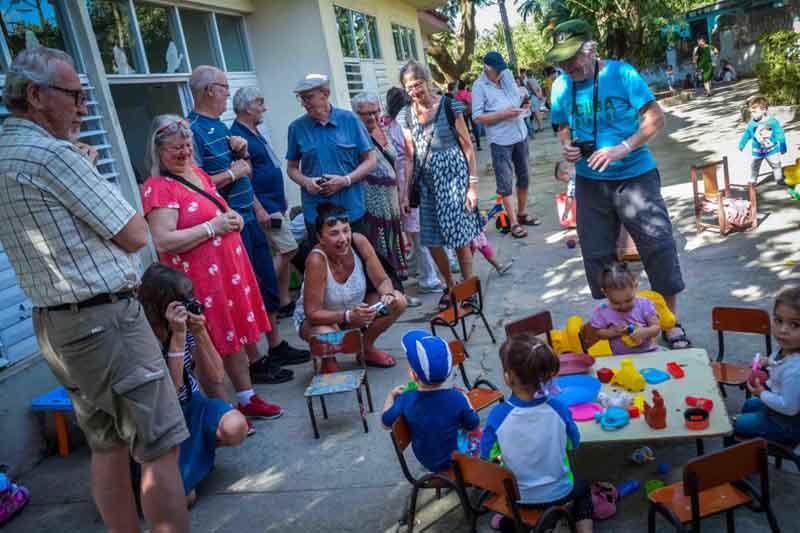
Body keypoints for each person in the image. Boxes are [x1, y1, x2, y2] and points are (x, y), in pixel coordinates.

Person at [0, 47, 189, 532]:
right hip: (105, 321)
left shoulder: (6, 150)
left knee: (107, 442)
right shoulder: (54, 155)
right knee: (161, 444)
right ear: (37, 96)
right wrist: (82, 164)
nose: (84, 107)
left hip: (57, 326)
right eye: (75, 96)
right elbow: (135, 233)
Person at [547, 18, 691, 350]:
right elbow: (561, 125)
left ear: (590, 49)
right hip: (589, 182)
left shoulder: (621, 73)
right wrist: (566, 145)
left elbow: (656, 117)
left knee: (658, 247)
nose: (567, 65)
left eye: (573, 57)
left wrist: (623, 147)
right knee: (597, 254)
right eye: (562, 59)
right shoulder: (560, 86)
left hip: (635, 175)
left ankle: (668, 322)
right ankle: (617, 319)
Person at [142, 114, 286, 424]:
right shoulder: (158, 187)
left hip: (226, 274)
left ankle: (247, 398)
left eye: (187, 145)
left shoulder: (197, 173)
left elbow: (214, 209)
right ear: (158, 151)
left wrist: (230, 217)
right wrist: (213, 228)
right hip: (198, 281)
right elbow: (164, 240)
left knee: (234, 337)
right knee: (211, 343)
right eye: (175, 148)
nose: (184, 152)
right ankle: (224, 412)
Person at [188, 66, 308, 382]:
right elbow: (194, 186)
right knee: (244, 292)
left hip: (249, 218)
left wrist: (237, 155)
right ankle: (255, 361)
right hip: (229, 225)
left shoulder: (220, 129)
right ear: (208, 90)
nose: (229, 93)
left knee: (264, 284)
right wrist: (235, 172)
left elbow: (243, 171)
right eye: (225, 87)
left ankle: (276, 344)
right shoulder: (193, 130)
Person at [138, 264, 248, 505]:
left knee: (236, 426)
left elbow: (218, 376)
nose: (193, 302)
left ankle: (195, 458)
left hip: (193, 404)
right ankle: (184, 467)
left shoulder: (187, 327)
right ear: (162, 303)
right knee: (185, 500)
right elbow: (171, 392)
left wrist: (200, 333)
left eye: (191, 295)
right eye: (184, 299)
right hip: (166, 417)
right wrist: (177, 338)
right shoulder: (146, 337)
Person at [481, 334, 594, 533]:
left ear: (508, 377)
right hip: (561, 491)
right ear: (548, 376)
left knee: (508, 519)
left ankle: (523, 522)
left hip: (518, 498)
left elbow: (486, 456)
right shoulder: (559, 409)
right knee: (583, 489)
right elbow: (574, 443)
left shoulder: (498, 416)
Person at [396, 60, 482, 311]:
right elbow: (410, 156)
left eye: (417, 84)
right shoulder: (405, 115)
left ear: (427, 81)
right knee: (432, 240)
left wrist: (472, 185)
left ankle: (469, 290)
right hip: (427, 185)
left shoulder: (449, 105)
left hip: (455, 181)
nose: (414, 91)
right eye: (409, 87)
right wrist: (404, 193)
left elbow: (467, 146)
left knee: (460, 240)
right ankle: (451, 285)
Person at [293, 203, 408, 371]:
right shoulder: (317, 260)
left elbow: (382, 281)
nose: (343, 239)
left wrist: (387, 295)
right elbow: (312, 314)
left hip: (355, 313)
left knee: (399, 301)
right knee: (323, 333)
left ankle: (365, 349)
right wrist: (347, 316)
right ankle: (328, 360)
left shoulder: (359, 241)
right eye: (334, 233)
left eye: (346, 230)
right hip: (321, 321)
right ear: (320, 238)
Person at [230, 87, 299, 318]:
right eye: (260, 103)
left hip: (274, 202)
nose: (264, 108)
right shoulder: (238, 137)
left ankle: (282, 300)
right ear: (248, 107)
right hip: (264, 207)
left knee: (281, 249)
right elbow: (245, 179)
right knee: (289, 248)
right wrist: (259, 208)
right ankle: (263, 297)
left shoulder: (254, 132)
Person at [286, 73, 378, 245]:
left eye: (309, 97)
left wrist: (346, 180)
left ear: (326, 94)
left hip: (350, 210)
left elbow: (371, 160)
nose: (305, 103)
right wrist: (306, 182)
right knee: (325, 266)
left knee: (359, 260)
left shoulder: (350, 120)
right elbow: (291, 168)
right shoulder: (297, 128)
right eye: (302, 99)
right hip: (316, 214)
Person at [381, 330, 480, 472]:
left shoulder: (406, 398)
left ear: (414, 375)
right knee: (488, 438)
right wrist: (467, 401)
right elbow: (473, 425)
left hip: (429, 463)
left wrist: (391, 396)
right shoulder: (456, 397)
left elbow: (385, 423)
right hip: (458, 462)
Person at [473, 51, 540, 239]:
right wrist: (503, 114)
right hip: (500, 140)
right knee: (505, 182)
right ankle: (514, 223)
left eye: (502, 69)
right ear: (487, 69)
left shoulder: (507, 75)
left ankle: (522, 213)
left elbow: (518, 97)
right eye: (497, 70)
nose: (501, 73)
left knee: (525, 176)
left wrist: (525, 104)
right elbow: (477, 117)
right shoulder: (479, 86)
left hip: (520, 133)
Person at [384, 87, 444, 294]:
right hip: (420, 180)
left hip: (405, 183)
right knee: (427, 230)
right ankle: (435, 270)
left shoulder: (392, 128)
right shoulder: (412, 122)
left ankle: (429, 277)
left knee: (417, 235)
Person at [351, 92, 409, 284]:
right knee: (380, 250)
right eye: (366, 113)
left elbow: (396, 165)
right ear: (356, 114)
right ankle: (389, 291)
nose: (372, 117)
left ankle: (398, 290)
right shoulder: (355, 137)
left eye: (375, 111)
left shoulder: (383, 129)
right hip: (373, 205)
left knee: (395, 247)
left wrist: (402, 196)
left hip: (391, 200)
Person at [734, 287, 800, 445]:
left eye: (795, 325)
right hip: (778, 411)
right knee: (749, 404)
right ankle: (751, 448)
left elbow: (789, 407)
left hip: (786, 426)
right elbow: (779, 363)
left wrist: (762, 393)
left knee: (734, 424)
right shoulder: (787, 347)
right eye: (778, 320)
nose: (783, 330)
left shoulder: (796, 370)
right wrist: (768, 362)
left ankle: (737, 460)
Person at [590, 262, 660, 354]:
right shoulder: (603, 311)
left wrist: (644, 332)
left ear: (635, 286)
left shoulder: (644, 304)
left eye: (628, 300)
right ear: (605, 293)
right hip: (620, 358)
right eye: (616, 303)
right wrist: (615, 332)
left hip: (649, 352)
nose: (623, 306)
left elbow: (656, 327)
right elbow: (598, 333)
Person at [739, 95, 786, 185]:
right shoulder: (752, 123)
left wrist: (783, 145)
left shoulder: (772, 122)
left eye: (755, 112)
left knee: (776, 165)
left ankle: (779, 179)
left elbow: (780, 133)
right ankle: (753, 180)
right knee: (754, 166)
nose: (752, 114)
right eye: (751, 112)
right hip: (757, 151)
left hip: (772, 150)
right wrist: (742, 144)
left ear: (764, 110)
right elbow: (747, 134)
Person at [455, 80, 481, 150]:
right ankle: (478, 145)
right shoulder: (469, 93)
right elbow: (472, 102)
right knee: (475, 127)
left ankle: (470, 145)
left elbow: (457, 105)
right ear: (464, 86)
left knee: (465, 129)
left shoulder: (457, 95)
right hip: (471, 111)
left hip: (463, 113)